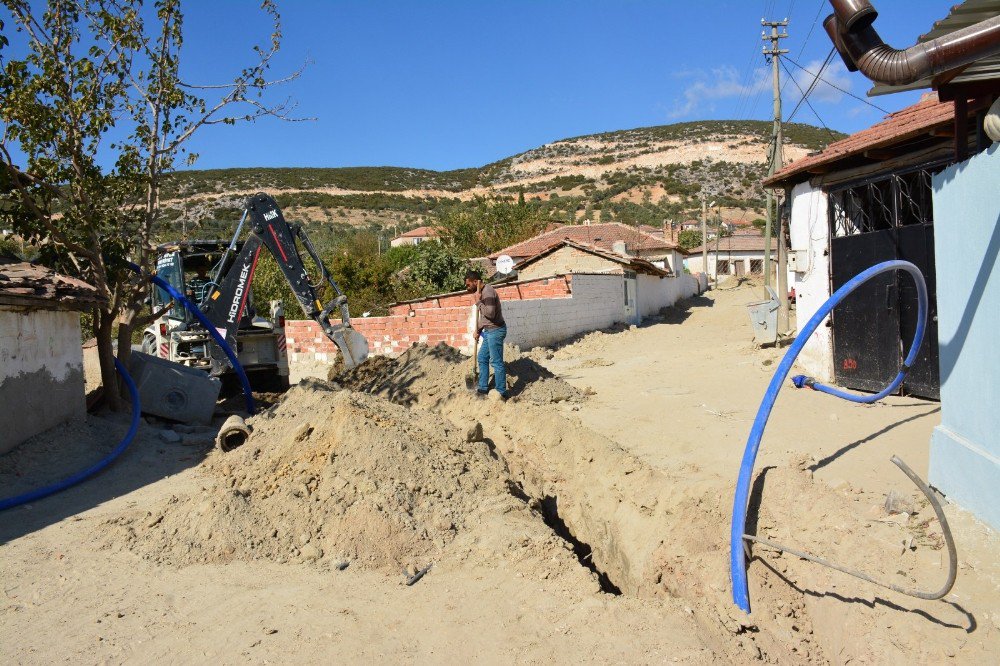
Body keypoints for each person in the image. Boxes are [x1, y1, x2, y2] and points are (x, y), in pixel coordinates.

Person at [465, 269, 508, 400]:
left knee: (496, 362)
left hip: (496, 331)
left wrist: (478, 302)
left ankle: (501, 392)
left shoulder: (488, 291)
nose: (466, 287)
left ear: (475, 281)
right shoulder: (481, 292)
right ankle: (483, 388)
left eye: (468, 284)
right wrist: (478, 330)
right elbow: (484, 318)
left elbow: (490, 314)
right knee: (482, 358)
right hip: (489, 331)